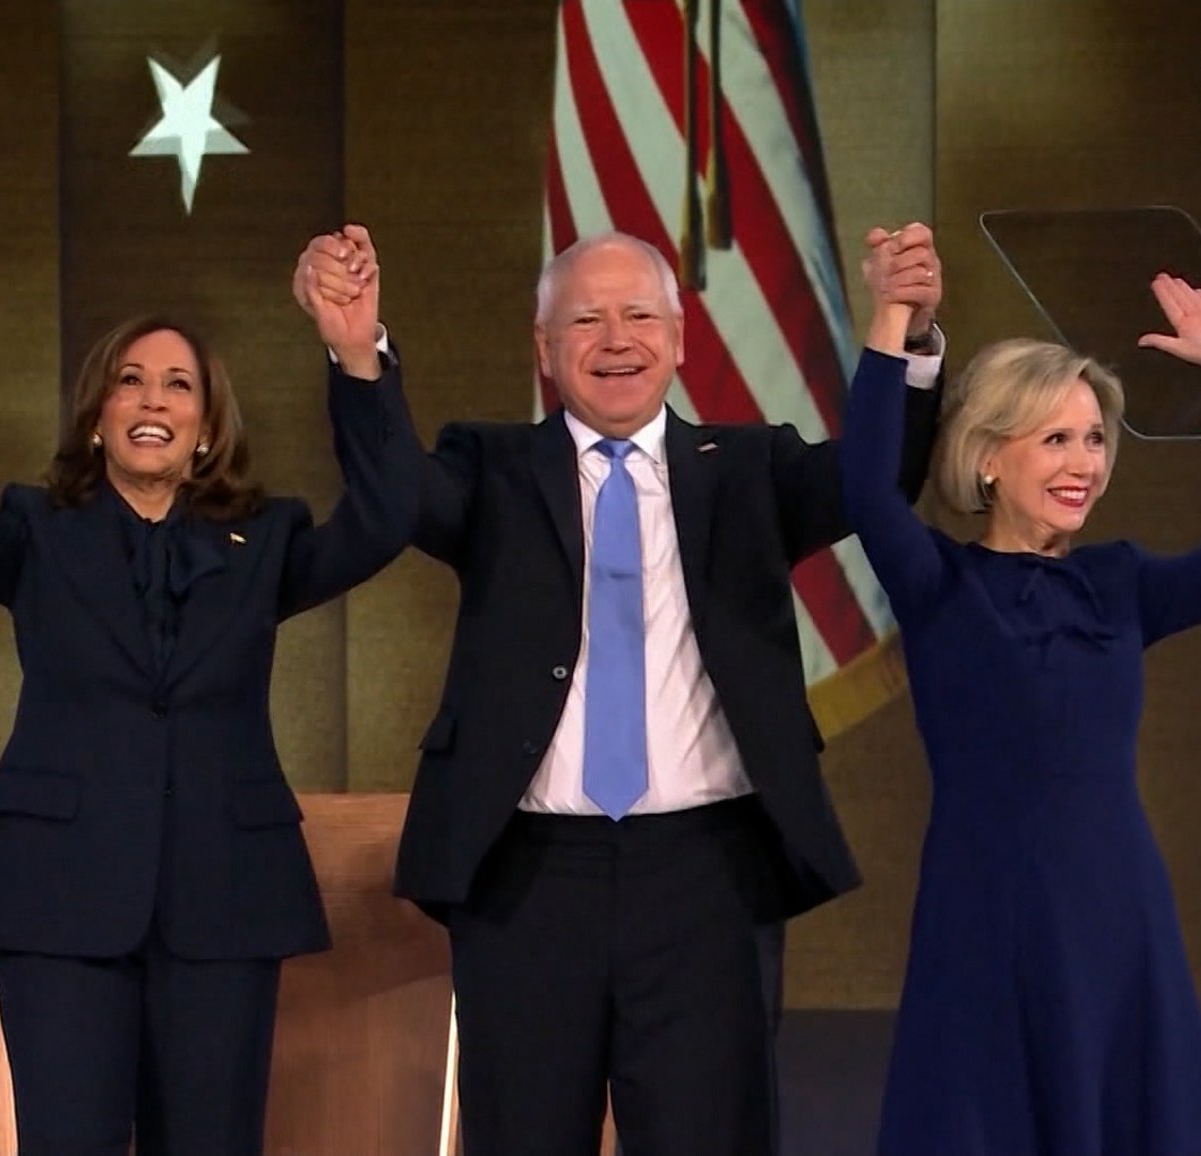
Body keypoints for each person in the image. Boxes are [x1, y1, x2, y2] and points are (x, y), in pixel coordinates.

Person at [299, 223, 947, 1155]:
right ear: (545, 349)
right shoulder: (491, 469)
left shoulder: (752, 470)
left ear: (679, 340)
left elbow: (873, 479)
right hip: (526, 882)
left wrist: (908, 337)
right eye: (587, 320)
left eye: (640, 315)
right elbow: (396, 497)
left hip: (708, 878)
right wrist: (357, 351)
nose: (616, 340)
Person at [0, 215, 419, 1155]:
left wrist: (354, 350)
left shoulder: (264, 542)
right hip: (61, 902)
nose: (153, 398)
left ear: (206, 425)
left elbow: (393, 510)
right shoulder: (35, 534)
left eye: (179, 384)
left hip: (223, 902)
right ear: (97, 415)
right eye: (130, 380)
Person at [842, 271, 1201, 1154]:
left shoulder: (1121, 585)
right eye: (1055, 438)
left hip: (1116, 910)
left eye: (1094, 439)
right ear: (987, 454)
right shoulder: (943, 586)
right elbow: (867, 490)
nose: (1084, 464)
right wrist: (891, 323)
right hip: (989, 912)